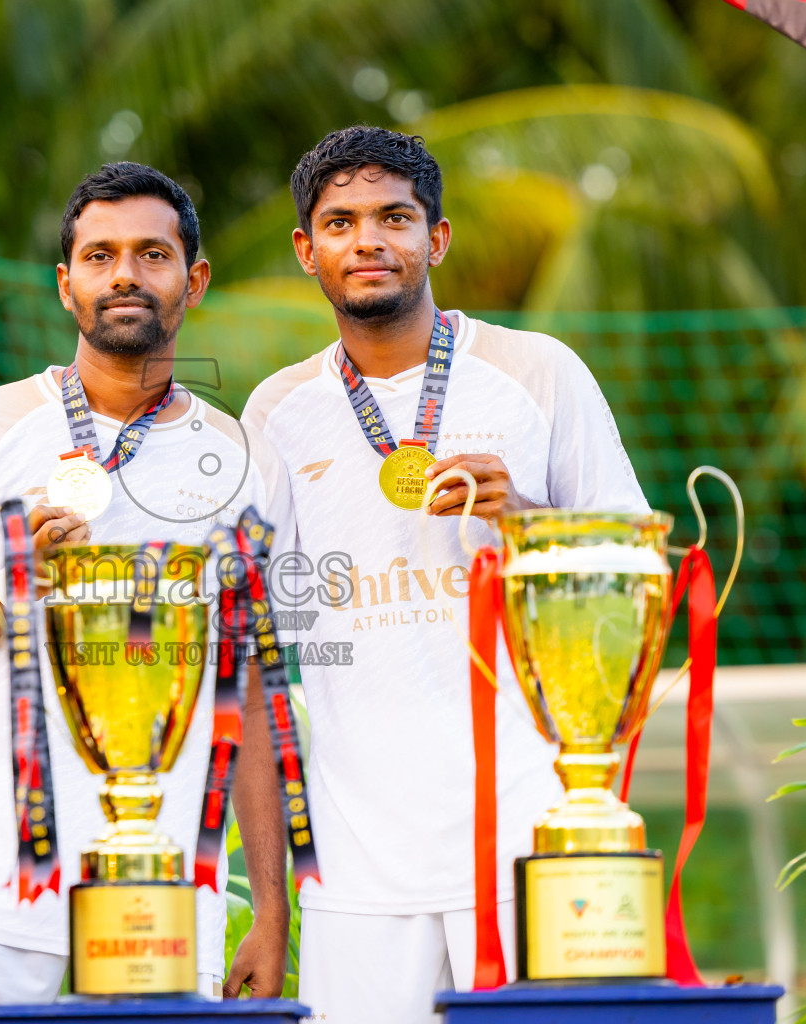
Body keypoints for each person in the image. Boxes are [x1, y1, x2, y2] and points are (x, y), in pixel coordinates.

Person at [242, 126, 650, 1024]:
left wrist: (527, 521)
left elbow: (635, 582)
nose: (369, 240)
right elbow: (255, 659)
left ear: (438, 237)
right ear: (307, 249)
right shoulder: (277, 412)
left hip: (533, 832)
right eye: (341, 222)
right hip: (355, 859)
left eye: (394, 217)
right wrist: (271, 907)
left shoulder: (536, 371)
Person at [0, 162, 290, 1024]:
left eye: (152, 254)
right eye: (100, 256)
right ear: (66, 286)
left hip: (167, 895)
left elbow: (249, 696)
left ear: (194, 280)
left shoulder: (244, 460)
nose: (125, 274)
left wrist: (271, 906)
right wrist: (5, 592)